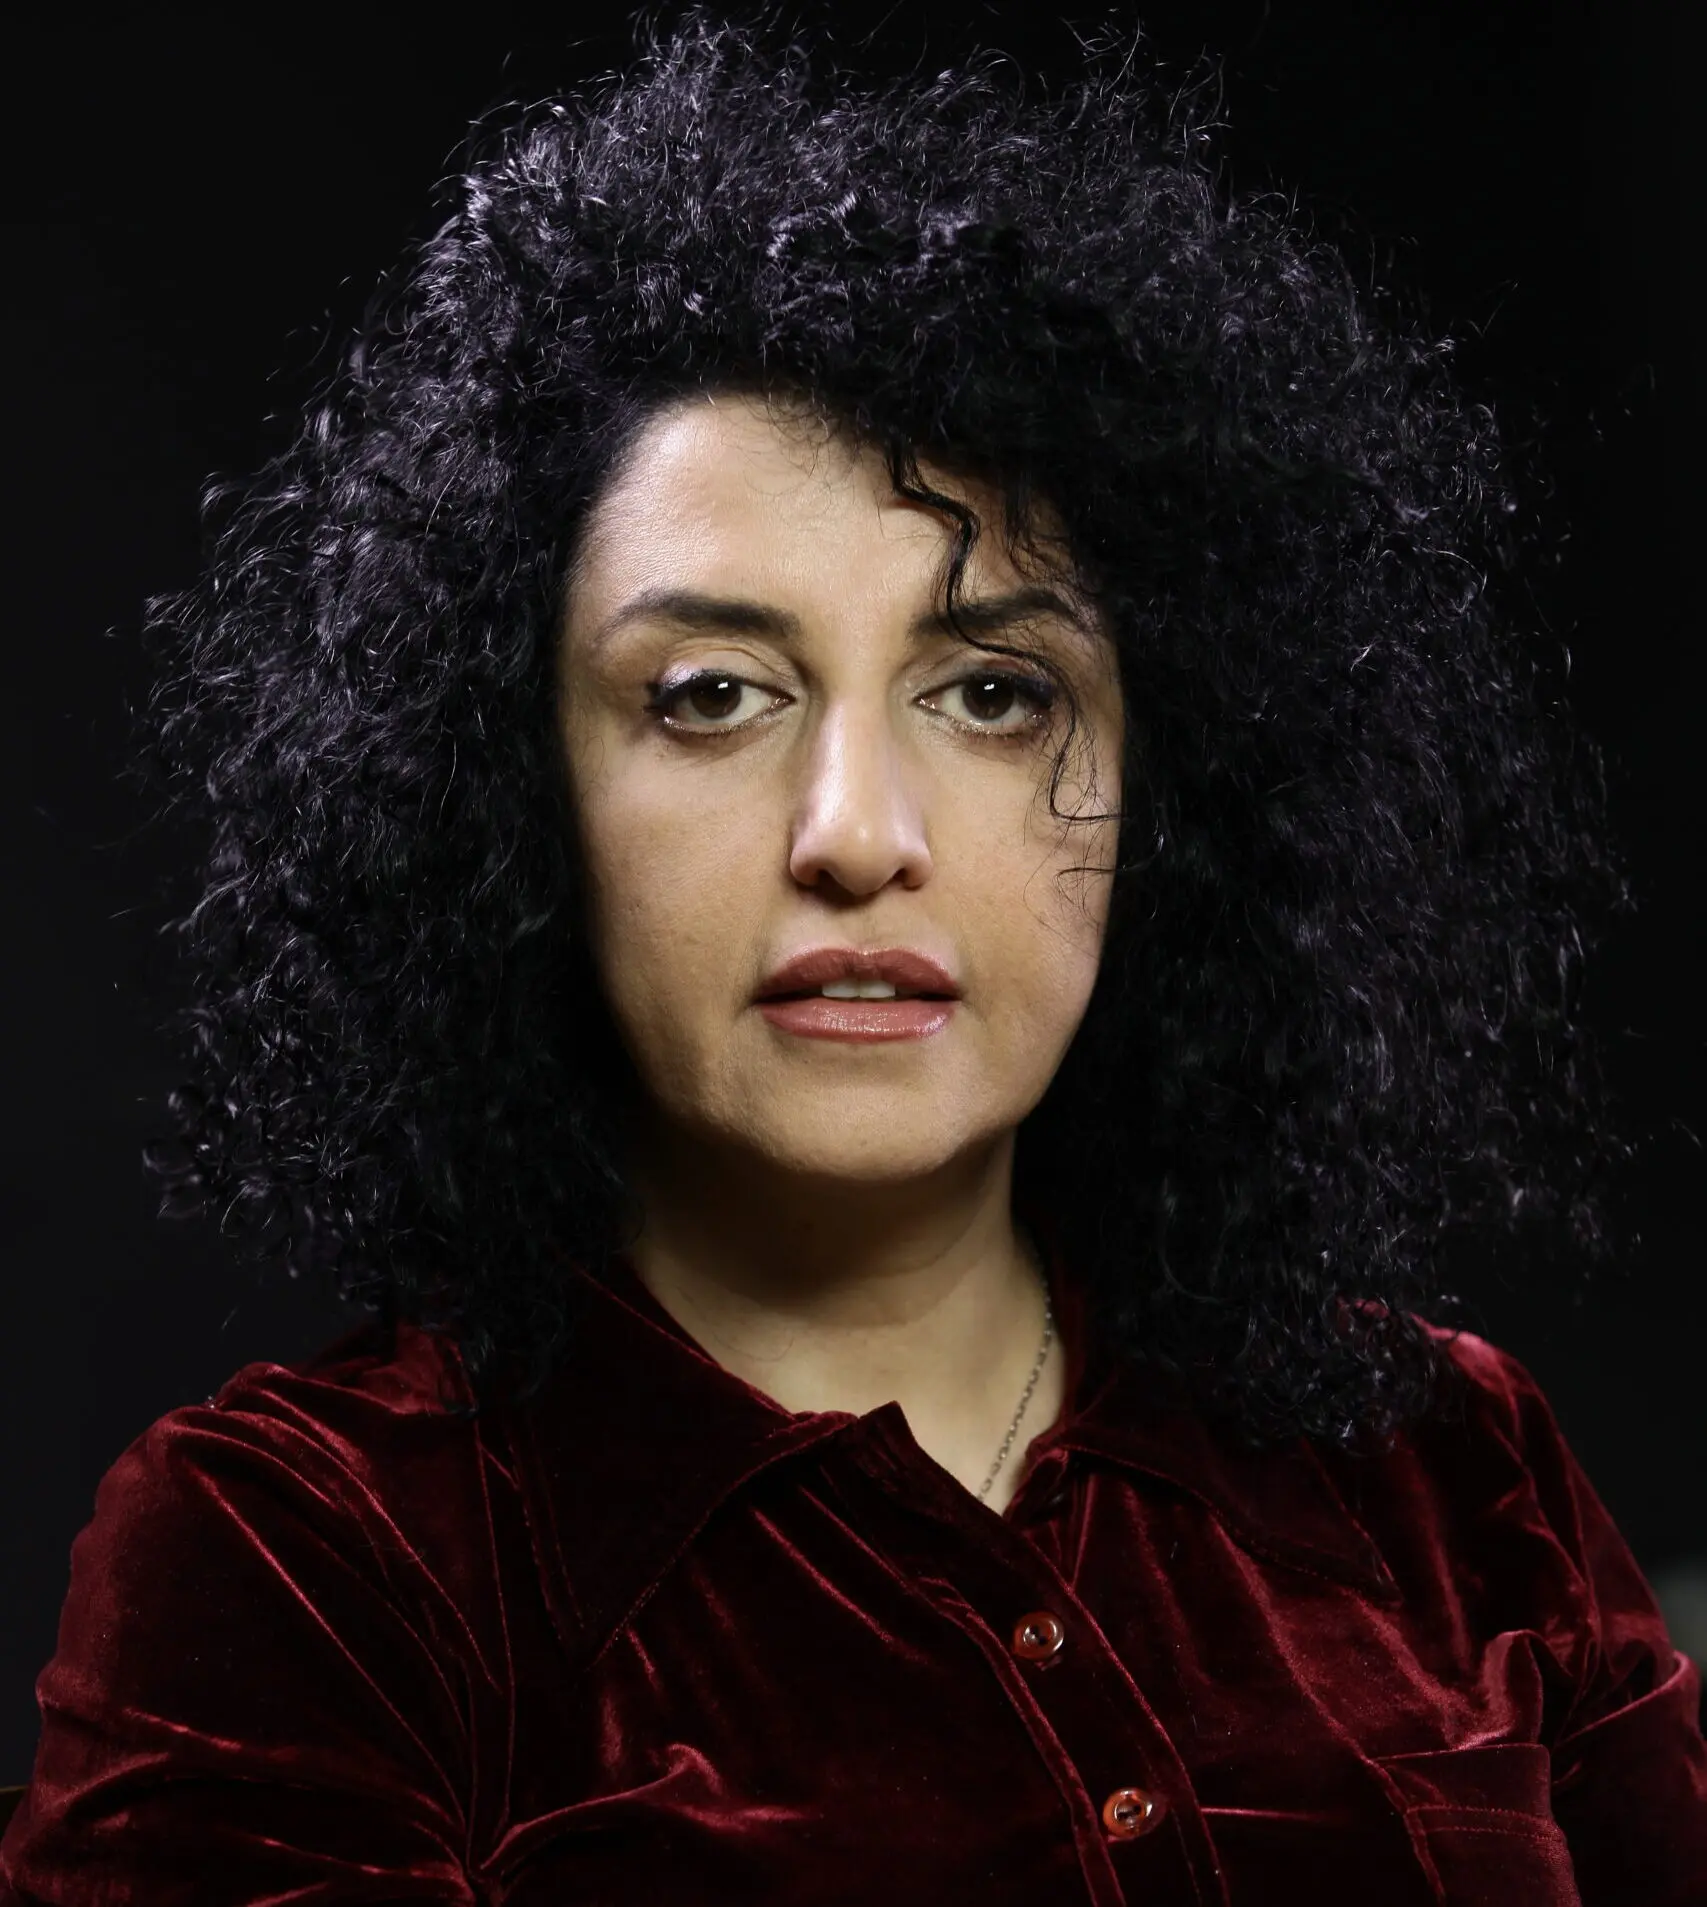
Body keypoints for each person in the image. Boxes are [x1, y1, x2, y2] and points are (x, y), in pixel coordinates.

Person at [3, 13, 1702, 1903]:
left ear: (1174, 784)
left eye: (991, 690)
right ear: (513, 791)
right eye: (713, 694)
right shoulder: (298, 1560)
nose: (855, 830)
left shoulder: (1448, 1460)